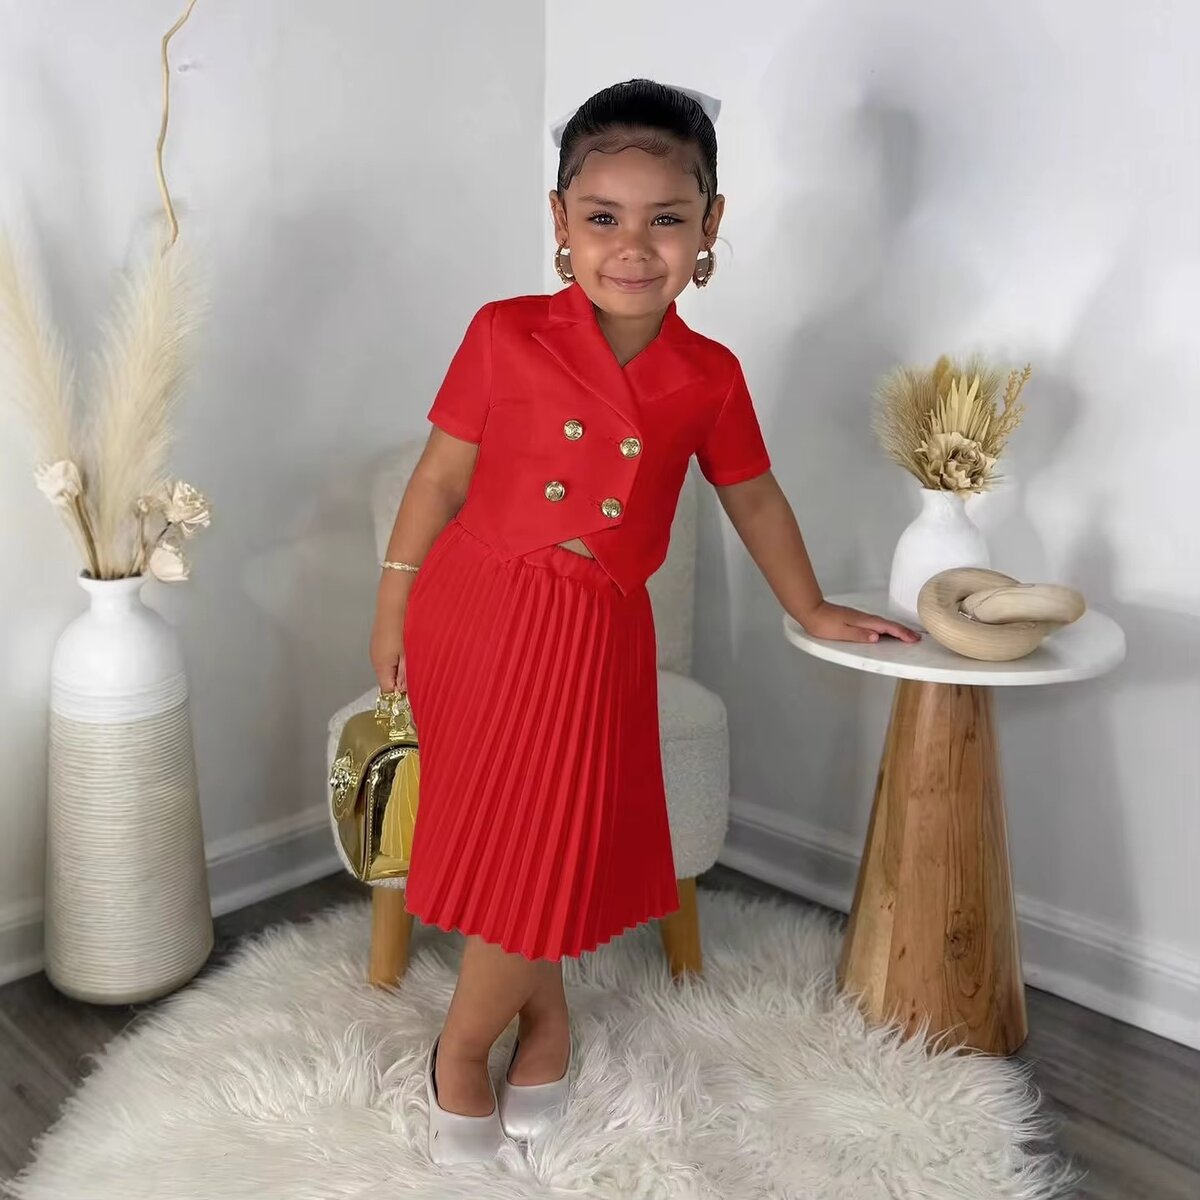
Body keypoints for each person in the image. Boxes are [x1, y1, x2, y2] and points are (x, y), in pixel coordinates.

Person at [369, 78, 920, 1166]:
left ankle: (520, 1027)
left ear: (709, 225)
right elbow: (438, 478)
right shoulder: (505, 333)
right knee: (516, 837)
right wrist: (393, 602)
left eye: (665, 217)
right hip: (478, 611)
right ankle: (476, 1047)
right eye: (602, 216)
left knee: (547, 839)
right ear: (560, 220)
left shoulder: (709, 375)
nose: (632, 246)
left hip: (596, 632)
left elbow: (754, 497)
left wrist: (810, 604)